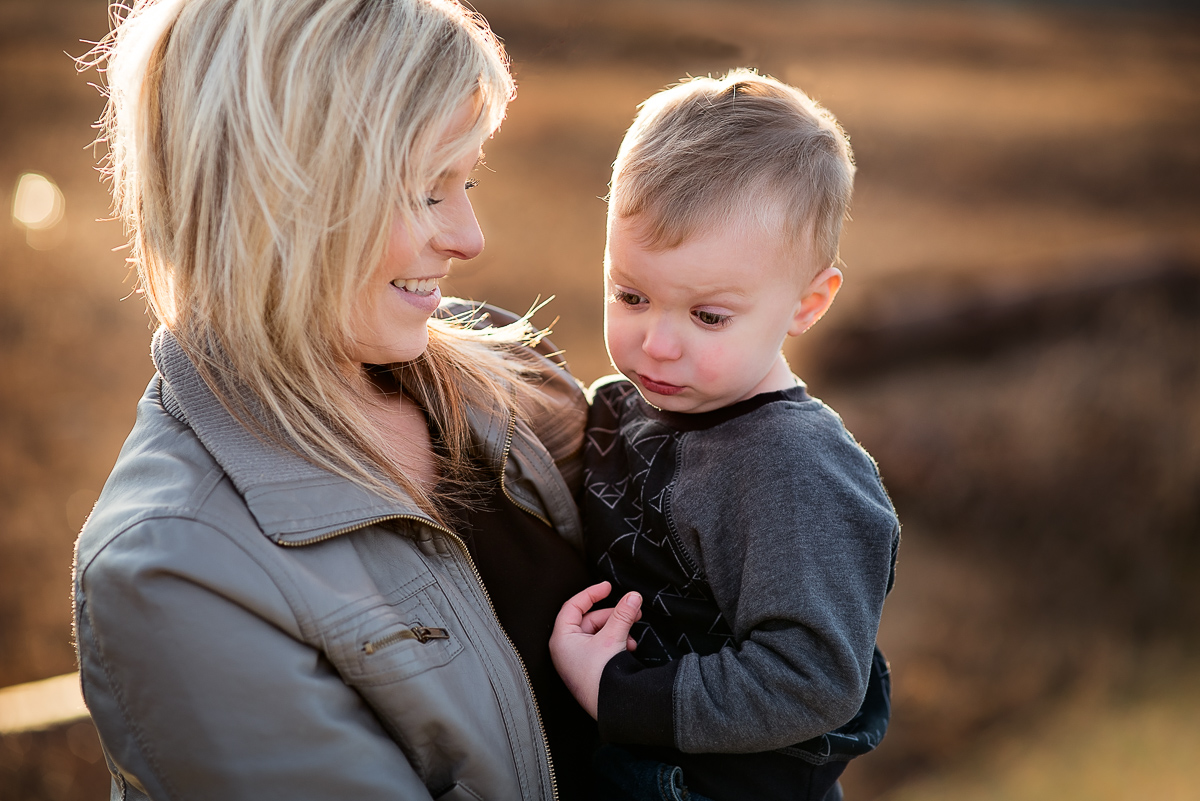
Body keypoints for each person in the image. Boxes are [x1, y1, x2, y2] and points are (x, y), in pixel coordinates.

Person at [72, 1, 598, 798]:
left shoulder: (503, 363)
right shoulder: (175, 571)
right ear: (285, 198)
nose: (470, 236)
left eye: (468, 180)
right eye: (427, 191)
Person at [549, 70, 901, 801]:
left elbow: (814, 678)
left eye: (708, 316)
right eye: (631, 295)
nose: (658, 344)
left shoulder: (795, 467)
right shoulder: (620, 404)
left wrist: (620, 694)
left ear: (808, 303)